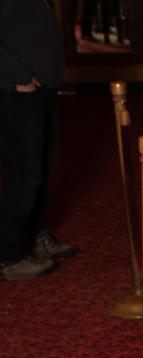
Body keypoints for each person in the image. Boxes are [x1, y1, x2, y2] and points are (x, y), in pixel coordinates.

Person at [0, 0, 77, 282]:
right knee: (24, 172)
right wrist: (17, 75)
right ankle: (8, 255)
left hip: (42, 87)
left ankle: (32, 235)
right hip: (15, 90)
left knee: (44, 167)